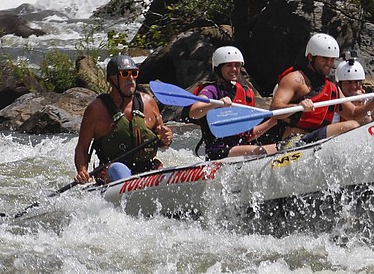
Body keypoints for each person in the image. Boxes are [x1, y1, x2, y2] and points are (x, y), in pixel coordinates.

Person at [74, 54, 173, 185]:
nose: (131, 78)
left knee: (159, 168)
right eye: (125, 74)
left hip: (146, 168)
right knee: (118, 169)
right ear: (112, 79)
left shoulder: (149, 102)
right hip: (112, 172)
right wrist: (82, 171)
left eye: (134, 73)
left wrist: (166, 138)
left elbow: (163, 142)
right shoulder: (96, 110)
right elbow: (82, 147)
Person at [269, 33, 360, 147]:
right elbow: (274, 109)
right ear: (311, 57)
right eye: (325, 58)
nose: (329, 63)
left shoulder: (331, 86)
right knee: (351, 126)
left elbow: (354, 114)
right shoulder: (294, 79)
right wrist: (297, 106)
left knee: (354, 125)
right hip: (294, 140)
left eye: (332, 59)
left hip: (316, 138)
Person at [187, 46, 278, 159]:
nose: (234, 69)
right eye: (229, 65)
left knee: (278, 148)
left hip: (241, 149)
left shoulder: (246, 93)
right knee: (265, 150)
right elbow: (194, 113)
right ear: (218, 68)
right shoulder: (212, 90)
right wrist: (215, 103)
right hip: (218, 151)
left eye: (237, 65)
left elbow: (249, 135)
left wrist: (274, 121)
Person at [333, 58, 374, 124]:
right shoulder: (334, 106)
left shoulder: (369, 100)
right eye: (348, 82)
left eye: (357, 82)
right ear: (339, 85)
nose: (354, 86)